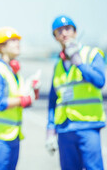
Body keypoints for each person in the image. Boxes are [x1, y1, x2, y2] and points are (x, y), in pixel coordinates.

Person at [45, 15, 106, 170]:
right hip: (65, 129)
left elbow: (100, 81)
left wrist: (79, 63)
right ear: (55, 37)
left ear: (75, 32)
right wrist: (50, 129)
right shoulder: (58, 65)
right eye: (59, 31)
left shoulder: (92, 54)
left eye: (67, 29)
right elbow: (53, 100)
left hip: (88, 126)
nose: (64, 33)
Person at [0, 27, 40, 170]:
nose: (17, 43)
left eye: (18, 40)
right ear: (1, 47)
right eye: (12, 41)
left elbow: (18, 100)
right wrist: (24, 100)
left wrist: (32, 95)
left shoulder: (14, 73)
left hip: (13, 136)